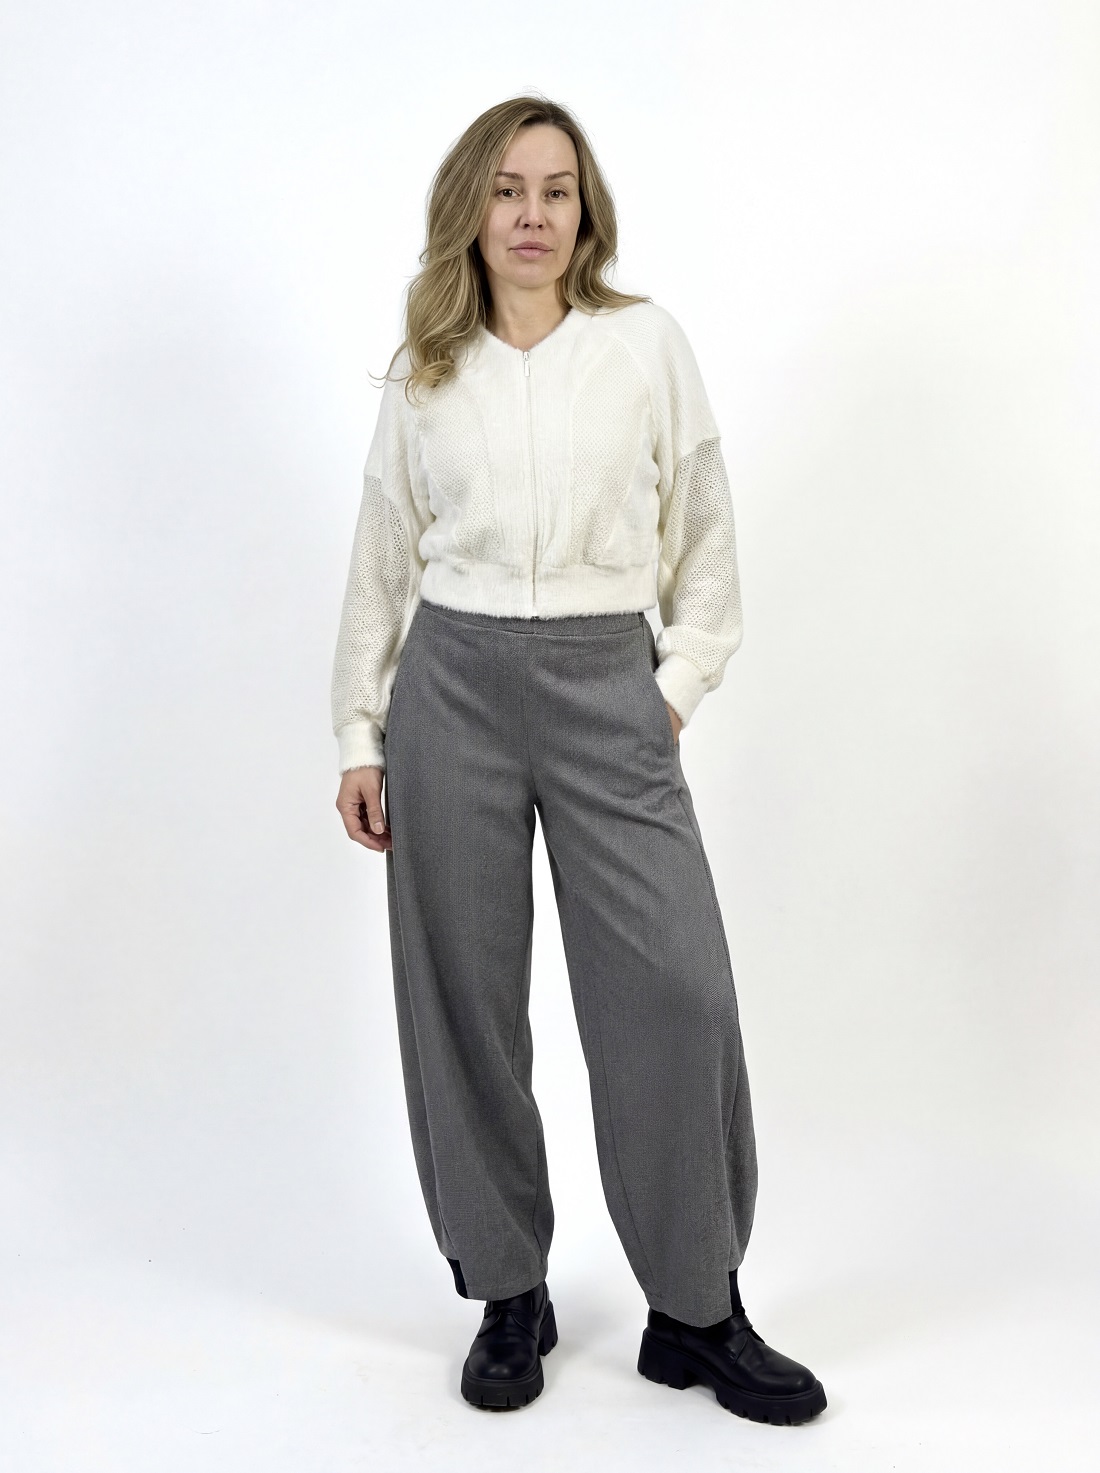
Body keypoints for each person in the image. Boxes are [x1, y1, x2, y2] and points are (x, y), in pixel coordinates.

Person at [331, 94, 826, 1425]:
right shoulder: (429, 364)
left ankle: (698, 1307)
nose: (533, 215)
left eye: (556, 190)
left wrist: (670, 689)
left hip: (611, 684)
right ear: (470, 211)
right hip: (452, 687)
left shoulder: (644, 344)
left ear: (587, 211)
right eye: (507, 190)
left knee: (676, 988)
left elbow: (705, 536)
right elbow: (381, 557)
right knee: (465, 1001)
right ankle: (509, 1291)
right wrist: (359, 730)